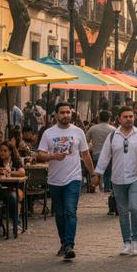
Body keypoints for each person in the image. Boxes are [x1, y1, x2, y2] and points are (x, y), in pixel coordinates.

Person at [36, 102, 96, 260]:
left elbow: (85, 154)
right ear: (56, 115)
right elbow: (40, 154)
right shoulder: (48, 133)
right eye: (62, 113)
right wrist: (52, 156)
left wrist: (93, 174)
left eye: (68, 112)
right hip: (55, 180)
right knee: (60, 214)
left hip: (73, 178)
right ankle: (63, 242)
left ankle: (69, 244)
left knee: (70, 211)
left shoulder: (78, 132)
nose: (65, 115)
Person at [92, 106, 137, 257]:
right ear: (119, 119)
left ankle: (135, 240)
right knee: (122, 211)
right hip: (117, 179)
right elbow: (104, 156)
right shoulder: (112, 136)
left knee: (134, 208)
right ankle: (126, 242)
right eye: (125, 117)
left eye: (131, 116)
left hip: (135, 178)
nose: (129, 119)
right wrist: (98, 174)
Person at [0, 142, 26, 234]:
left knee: (12, 197)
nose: (2, 152)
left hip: (14, 189)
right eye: (0, 150)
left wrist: (10, 172)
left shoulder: (15, 161)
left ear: (10, 151)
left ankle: (16, 224)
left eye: (5, 150)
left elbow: (22, 172)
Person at [87, 110, 116, 214]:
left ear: (98, 118)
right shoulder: (113, 129)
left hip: (96, 155)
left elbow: (86, 141)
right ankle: (108, 190)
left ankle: (98, 186)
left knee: (98, 174)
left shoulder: (92, 128)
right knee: (109, 175)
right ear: (109, 119)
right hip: (110, 156)